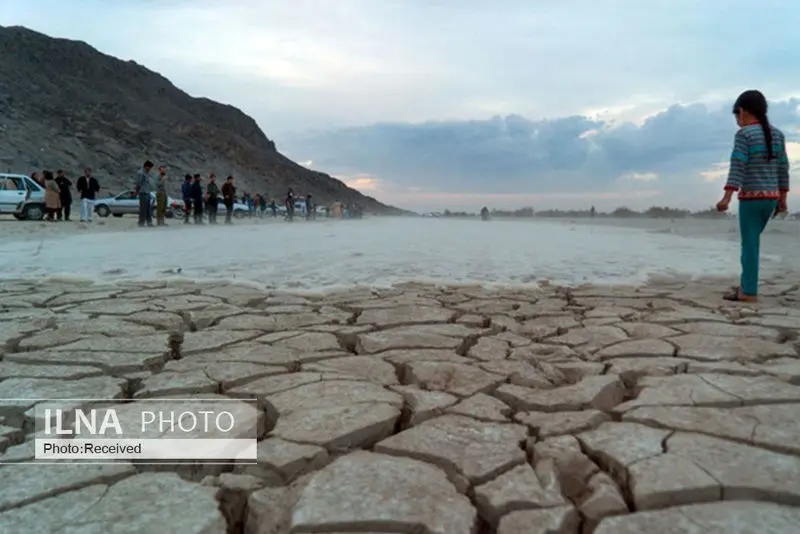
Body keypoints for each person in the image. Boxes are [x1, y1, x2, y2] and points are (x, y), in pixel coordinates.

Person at [716, 90, 790, 302]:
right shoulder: (778, 135)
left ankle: (748, 292)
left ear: (741, 111)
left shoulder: (744, 135)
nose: (737, 121)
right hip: (772, 198)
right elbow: (783, 169)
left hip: (751, 199)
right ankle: (746, 285)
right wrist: (783, 200)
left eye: (736, 116)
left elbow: (738, 165)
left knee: (749, 245)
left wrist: (726, 198)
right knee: (753, 242)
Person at [134, 160, 155, 227]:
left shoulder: (146, 173)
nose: (150, 169)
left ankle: (149, 223)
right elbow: (138, 184)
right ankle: (141, 223)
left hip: (147, 193)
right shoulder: (140, 173)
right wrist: (136, 192)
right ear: (146, 166)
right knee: (143, 209)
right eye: (150, 167)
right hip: (142, 193)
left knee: (148, 209)